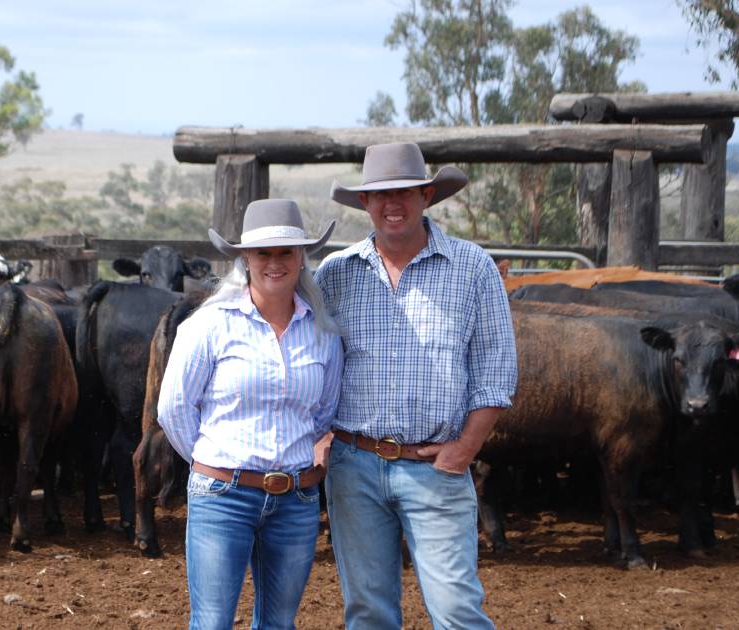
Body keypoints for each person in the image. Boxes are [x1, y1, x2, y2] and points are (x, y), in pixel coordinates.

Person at [315, 142, 517, 630]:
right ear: (364, 203)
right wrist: (320, 436)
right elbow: (314, 364)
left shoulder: (472, 268)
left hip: (436, 467)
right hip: (354, 464)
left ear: (427, 195)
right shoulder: (335, 273)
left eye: (404, 192)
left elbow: (497, 371)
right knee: (367, 612)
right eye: (380, 195)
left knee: (456, 610)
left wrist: (464, 450)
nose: (392, 204)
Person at [157, 198, 344, 630]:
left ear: (302, 257)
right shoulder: (208, 325)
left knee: (279, 623)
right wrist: (214, 462)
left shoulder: (322, 333)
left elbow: (323, 413)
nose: (275, 263)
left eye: (286, 252)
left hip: (296, 499)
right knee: (212, 622)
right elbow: (174, 409)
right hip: (224, 496)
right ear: (245, 258)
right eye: (263, 253)